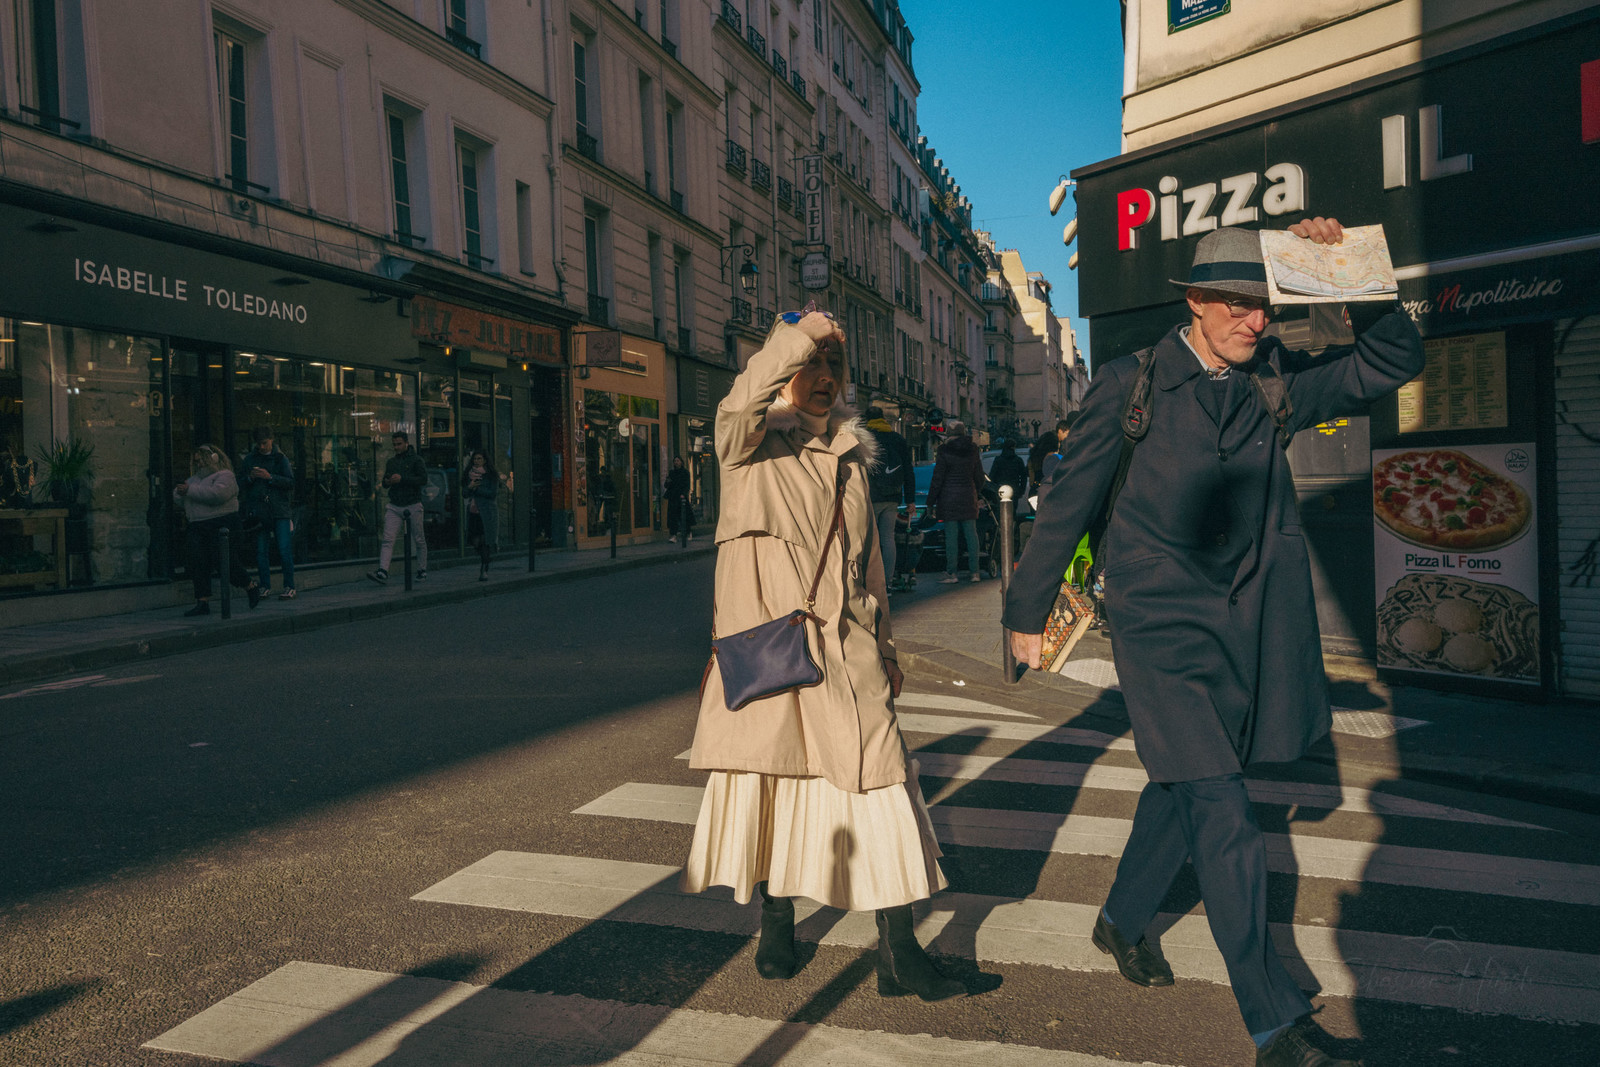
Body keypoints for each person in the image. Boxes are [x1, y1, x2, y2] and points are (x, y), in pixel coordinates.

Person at [1005, 220, 1424, 1067]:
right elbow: (1069, 503)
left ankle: (1121, 918)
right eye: (1237, 303)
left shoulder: (1275, 378)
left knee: (1186, 785)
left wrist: (1342, 269)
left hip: (1248, 624)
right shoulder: (1131, 383)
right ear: (1194, 302)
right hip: (1158, 627)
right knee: (1224, 807)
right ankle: (1274, 1023)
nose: (1255, 319)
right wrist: (1025, 610)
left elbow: (1391, 361)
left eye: (1264, 304)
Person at [681, 309, 964, 1002]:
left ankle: (900, 951)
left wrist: (885, 648)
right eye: (811, 363)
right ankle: (776, 918)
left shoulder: (851, 458)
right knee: (777, 786)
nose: (824, 376)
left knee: (883, 788)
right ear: (783, 368)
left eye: (834, 364)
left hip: (847, 652)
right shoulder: (748, 448)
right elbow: (736, 405)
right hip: (773, 654)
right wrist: (803, 332)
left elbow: (867, 569)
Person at [174, 443, 261, 615]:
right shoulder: (194, 480)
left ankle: (250, 585)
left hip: (222, 522)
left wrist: (190, 491)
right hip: (198, 524)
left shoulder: (225, 476)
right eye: (196, 461)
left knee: (224, 560)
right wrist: (182, 492)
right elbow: (181, 497)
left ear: (213, 459)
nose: (199, 464)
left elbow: (217, 495)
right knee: (198, 562)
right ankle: (202, 601)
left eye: (202, 460)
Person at [238, 427, 296, 600]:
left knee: (284, 549)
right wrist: (250, 478)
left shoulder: (280, 459)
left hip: (279, 510)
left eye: (264, 443)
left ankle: (289, 586)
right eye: (259, 444)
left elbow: (291, 482)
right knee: (261, 551)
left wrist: (270, 477)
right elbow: (239, 483)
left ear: (272, 440)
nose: (262, 447)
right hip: (259, 511)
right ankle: (265, 586)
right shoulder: (250, 459)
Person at [863, 405, 916, 592]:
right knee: (888, 538)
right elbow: (908, 470)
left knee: (871, 540)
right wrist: (910, 500)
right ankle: (887, 582)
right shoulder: (897, 439)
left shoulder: (864, 438)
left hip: (870, 496)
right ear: (883, 418)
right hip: (893, 497)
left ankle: (871, 581)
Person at [927, 420, 986, 583]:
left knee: (951, 537)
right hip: (968, 497)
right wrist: (976, 492)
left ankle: (952, 573)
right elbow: (979, 476)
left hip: (948, 499)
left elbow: (938, 478)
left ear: (948, 433)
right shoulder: (973, 449)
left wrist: (930, 501)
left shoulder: (944, 450)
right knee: (971, 535)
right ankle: (975, 572)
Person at [367, 431, 428, 585]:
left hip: (412, 503)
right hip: (395, 504)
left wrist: (402, 479)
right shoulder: (392, 462)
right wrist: (388, 482)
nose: (396, 447)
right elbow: (385, 482)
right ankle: (383, 570)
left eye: (399, 444)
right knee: (388, 538)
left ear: (406, 443)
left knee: (419, 538)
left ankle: (422, 569)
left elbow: (423, 479)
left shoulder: (416, 460)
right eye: (394, 444)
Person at [462, 450, 498, 581]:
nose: (477, 461)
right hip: (473, 511)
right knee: (475, 541)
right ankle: (486, 559)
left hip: (487, 512)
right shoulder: (469, 474)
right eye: (475, 459)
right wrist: (470, 486)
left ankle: (484, 568)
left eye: (479, 459)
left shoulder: (490, 475)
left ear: (485, 460)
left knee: (485, 540)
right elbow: (464, 493)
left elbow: (492, 493)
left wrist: (477, 488)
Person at [663, 456, 694, 543]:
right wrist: (667, 481)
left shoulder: (685, 472)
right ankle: (673, 535)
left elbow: (687, 485)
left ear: (681, 462)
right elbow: (666, 485)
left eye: (678, 461)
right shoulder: (672, 473)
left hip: (681, 497)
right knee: (672, 517)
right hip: (673, 497)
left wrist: (683, 494)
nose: (676, 462)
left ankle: (688, 532)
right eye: (675, 461)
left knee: (684, 516)